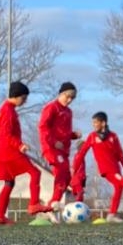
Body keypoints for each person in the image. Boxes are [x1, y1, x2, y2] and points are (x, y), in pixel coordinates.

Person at [0, 81, 51, 225]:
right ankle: (34, 204)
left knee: (9, 183)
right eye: (24, 98)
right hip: (9, 151)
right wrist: (19, 145)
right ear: (17, 96)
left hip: (1, 151)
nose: (24, 102)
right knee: (35, 173)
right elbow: (5, 134)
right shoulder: (8, 111)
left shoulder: (5, 109)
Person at [71, 112, 123, 222]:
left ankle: (111, 215)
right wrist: (74, 169)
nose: (93, 125)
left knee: (119, 188)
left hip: (116, 167)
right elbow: (82, 153)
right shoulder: (92, 137)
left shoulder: (113, 136)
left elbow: (120, 153)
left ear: (103, 123)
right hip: (105, 169)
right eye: (92, 123)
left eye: (95, 122)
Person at [39, 82, 81, 212]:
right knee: (62, 171)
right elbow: (43, 127)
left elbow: (64, 132)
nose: (69, 100)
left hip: (63, 150)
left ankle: (49, 206)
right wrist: (53, 141)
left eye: (72, 98)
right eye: (67, 96)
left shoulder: (68, 112)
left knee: (67, 177)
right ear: (61, 93)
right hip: (51, 147)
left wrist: (73, 135)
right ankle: (54, 202)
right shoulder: (51, 107)